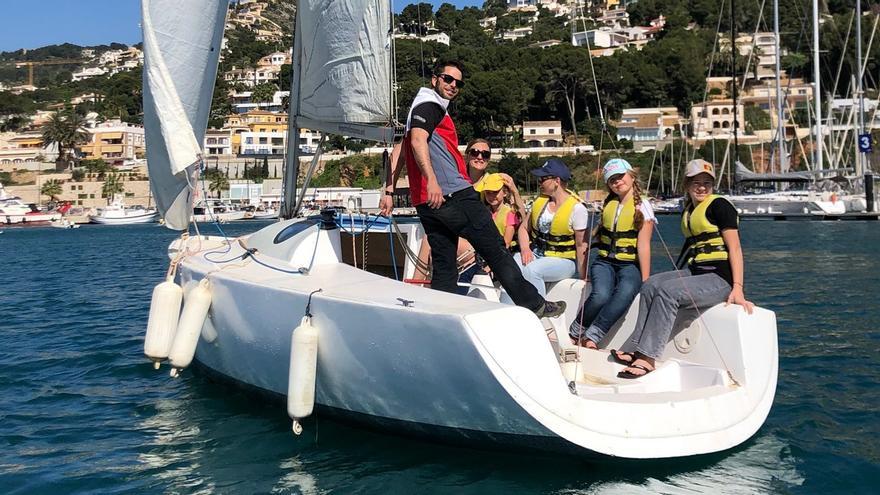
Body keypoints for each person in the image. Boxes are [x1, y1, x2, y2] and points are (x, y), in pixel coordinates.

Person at [378, 60, 564, 318]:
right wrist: (431, 178)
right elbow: (418, 140)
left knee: (443, 264)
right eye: (447, 79)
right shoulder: (430, 106)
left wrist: (389, 190)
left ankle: (442, 316)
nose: (453, 85)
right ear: (435, 80)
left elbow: (401, 148)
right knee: (494, 248)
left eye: (458, 83)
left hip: (426, 202)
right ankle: (534, 304)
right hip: (452, 194)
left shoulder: (417, 108)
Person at [614, 159, 754, 379]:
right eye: (696, 182)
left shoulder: (720, 206)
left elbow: (735, 248)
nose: (702, 187)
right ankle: (636, 347)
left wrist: (737, 287)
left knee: (669, 292)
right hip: (697, 271)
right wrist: (675, 276)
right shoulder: (689, 209)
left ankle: (648, 358)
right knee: (651, 285)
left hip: (720, 278)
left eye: (707, 183)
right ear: (687, 185)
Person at [569, 159, 655, 349]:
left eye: (620, 177)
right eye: (612, 180)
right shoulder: (609, 205)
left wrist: (646, 279)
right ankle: (576, 330)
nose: (617, 182)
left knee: (624, 293)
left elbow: (644, 245)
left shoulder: (644, 207)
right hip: (604, 262)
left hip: (630, 264)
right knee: (601, 294)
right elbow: (594, 239)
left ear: (631, 175)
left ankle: (593, 335)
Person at [517, 159, 590, 296]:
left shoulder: (577, 209)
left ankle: (538, 310)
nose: (540, 182)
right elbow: (523, 229)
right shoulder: (540, 201)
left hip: (564, 261)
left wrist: (584, 276)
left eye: (543, 178)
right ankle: (509, 312)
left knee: (532, 271)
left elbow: (581, 246)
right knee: (510, 267)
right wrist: (525, 248)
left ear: (557, 181)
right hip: (536, 253)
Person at [473, 173, 529, 252]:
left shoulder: (510, 213)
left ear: (505, 193)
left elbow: (506, 242)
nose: (491, 196)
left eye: (495, 192)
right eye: (488, 192)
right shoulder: (484, 211)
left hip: (503, 252)